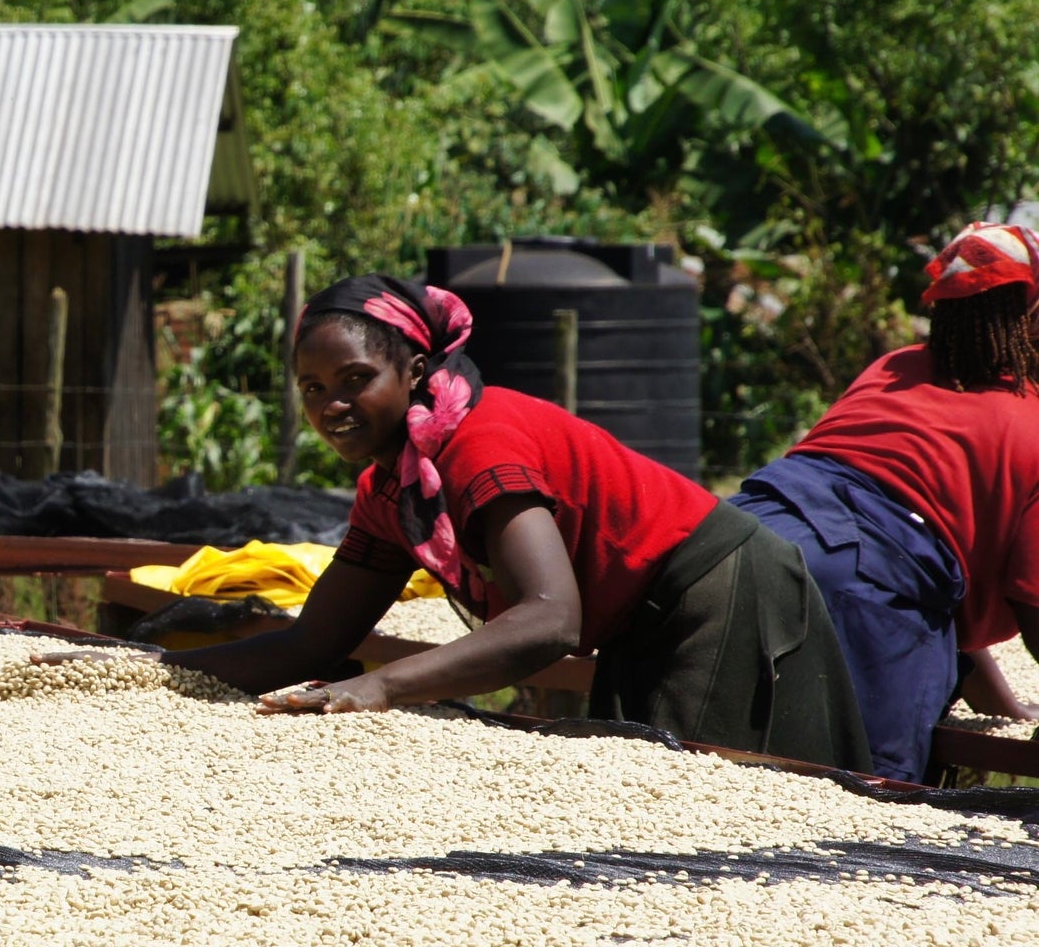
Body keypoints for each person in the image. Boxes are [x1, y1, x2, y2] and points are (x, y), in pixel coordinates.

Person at [166, 273, 871, 770]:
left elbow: (547, 619)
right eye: (313, 389)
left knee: (708, 812)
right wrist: (156, 675)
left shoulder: (477, 443)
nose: (331, 406)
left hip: (719, 596)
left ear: (414, 369)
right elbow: (314, 642)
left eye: (355, 379)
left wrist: (380, 684)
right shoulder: (390, 488)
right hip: (641, 619)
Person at [731, 221, 1039, 783]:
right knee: (861, 804)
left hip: (738, 538)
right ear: (1028, 318)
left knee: (703, 759)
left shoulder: (892, 369)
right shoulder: (1030, 421)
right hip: (858, 590)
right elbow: (1032, 611)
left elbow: (928, 593)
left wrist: (1006, 708)